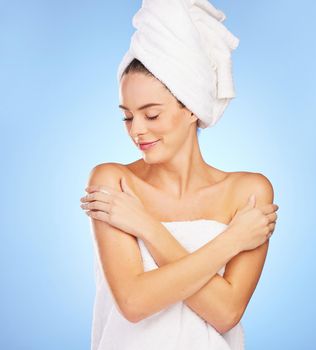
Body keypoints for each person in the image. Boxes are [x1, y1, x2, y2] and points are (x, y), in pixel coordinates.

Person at [80, 1, 279, 349]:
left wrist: (146, 227)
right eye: (127, 116)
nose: (136, 130)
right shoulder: (113, 182)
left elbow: (225, 312)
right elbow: (134, 303)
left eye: (151, 115)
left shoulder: (249, 191)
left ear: (191, 109)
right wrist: (232, 240)